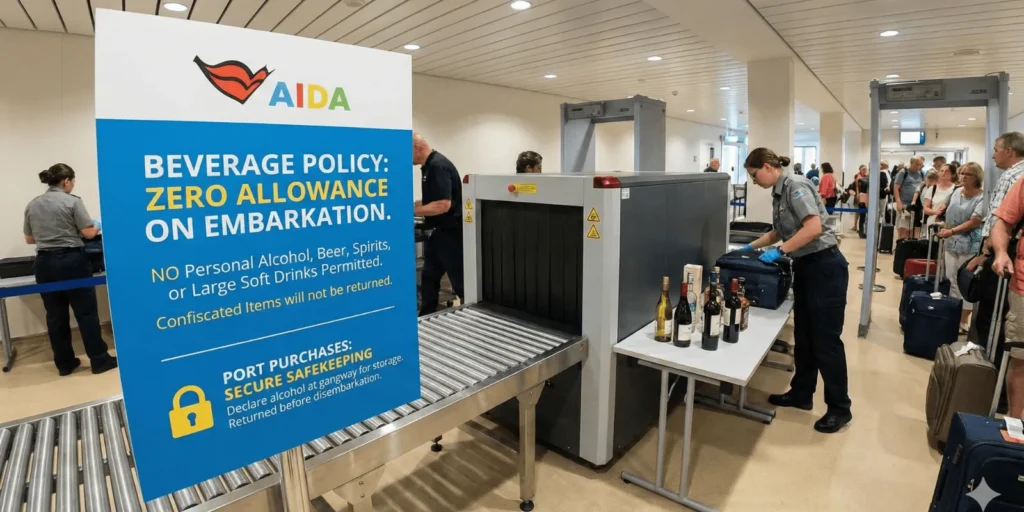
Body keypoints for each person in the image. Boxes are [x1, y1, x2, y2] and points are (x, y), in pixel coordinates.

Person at [742, 148, 852, 433]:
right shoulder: (779, 193)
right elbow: (779, 231)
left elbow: (813, 228)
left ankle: (840, 408)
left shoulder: (796, 185)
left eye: (755, 175)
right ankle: (802, 392)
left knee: (826, 342)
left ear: (768, 167)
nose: (754, 181)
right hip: (806, 267)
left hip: (825, 267)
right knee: (804, 336)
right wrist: (751, 248)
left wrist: (779, 252)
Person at [23, 164, 118, 376]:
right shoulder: (72, 201)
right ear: (66, 181)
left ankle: (65, 364)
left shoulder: (33, 204)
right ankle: (99, 360)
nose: (73, 184)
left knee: (55, 315)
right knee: (85, 312)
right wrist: (99, 224)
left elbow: (30, 239)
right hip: (71, 261)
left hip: (44, 263)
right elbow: (89, 233)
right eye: (73, 181)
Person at [972, 132, 1024, 405]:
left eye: (996, 150)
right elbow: (1001, 221)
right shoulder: (1017, 176)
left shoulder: (1015, 176)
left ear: (1010, 151)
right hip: (1007, 258)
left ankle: (992, 387)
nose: (993, 155)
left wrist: (989, 252)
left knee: (995, 318)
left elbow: (1000, 220)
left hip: (1007, 264)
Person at [413, 132, 465, 316]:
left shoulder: (437, 166)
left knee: (459, 281)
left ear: (416, 148)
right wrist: (413, 204)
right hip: (437, 234)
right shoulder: (427, 167)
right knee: (429, 277)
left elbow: (443, 205)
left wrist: (410, 212)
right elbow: (432, 200)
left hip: (450, 234)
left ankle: (469, 315)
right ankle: (426, 316)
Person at [937, 162, 985, 333]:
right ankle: (953, 315)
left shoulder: (982, 197)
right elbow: (947, 210)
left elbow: (975, 221)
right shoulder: (956, 192)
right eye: (962, 173)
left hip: (970, 246)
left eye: (968, 174)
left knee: (965, 283)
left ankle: (963, 320)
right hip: (950, 242)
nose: (963, 176)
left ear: (976, 178)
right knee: (951, 280)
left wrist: (952, 231)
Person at [893, 156, 925, 241]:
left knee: (913, 230)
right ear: (911, 163)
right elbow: (896, 188)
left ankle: (910, 248)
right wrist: (898, 203)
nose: (918, 167)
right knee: (903, 229)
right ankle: (901, 248)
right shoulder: (903, 172)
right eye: (916, 164)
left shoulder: (921, 173)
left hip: (916, 206)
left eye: (920, 165)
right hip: (904, 204)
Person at [923, 163, 958, 231]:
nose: (943, 173)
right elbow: (925, 208)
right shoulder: (932, 189)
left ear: (952, 174)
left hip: (950, 225)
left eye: (947, 171)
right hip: (933, 223)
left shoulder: (956, 189)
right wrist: (935, 212)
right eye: (942, 171)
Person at [855, 165, 869, 238]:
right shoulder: (858, 178)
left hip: (867, 198)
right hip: (862, 198)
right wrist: (858, 195)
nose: (864, 170)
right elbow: (857, 188)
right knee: (862, 216)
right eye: (863, 169)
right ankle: (861, 231)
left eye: (865, 169)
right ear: (860, 170)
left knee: (864, 216)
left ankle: (864, 231)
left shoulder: (868, 177)